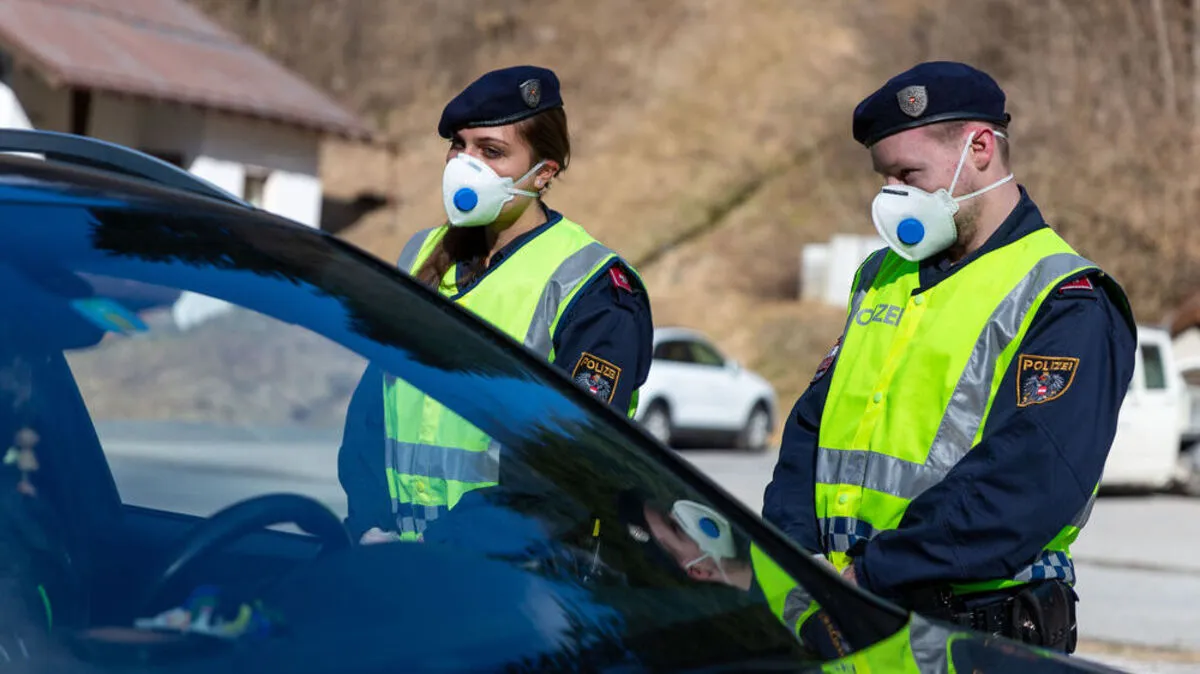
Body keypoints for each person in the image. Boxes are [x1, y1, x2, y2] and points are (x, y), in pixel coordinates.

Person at [761, 60, 1137, 654]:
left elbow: (1024, 483)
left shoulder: (1066, 300)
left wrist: (870, 574)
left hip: (971, 634)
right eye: (885, 179)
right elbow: (813, 425)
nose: (893, 197)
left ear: (980, 148)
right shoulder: (883, 276)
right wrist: (792, 556)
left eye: (909, 174)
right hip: (848, 621)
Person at [338, 65, 654, 545]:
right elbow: (371, 414)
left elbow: (569, 465)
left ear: (544, 172)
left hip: (521, 580)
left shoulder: (593, 288)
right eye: (459, 146)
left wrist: (449, 549)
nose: (466, 164)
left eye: (491, 152)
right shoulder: (421, 254)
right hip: (398, 561)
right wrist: (368, 526)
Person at [614, 489, 852, 659]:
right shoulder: (755, 633)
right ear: (698, 571)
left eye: (670, 505)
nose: (682, 511)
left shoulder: (772, 536)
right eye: (676, 526)